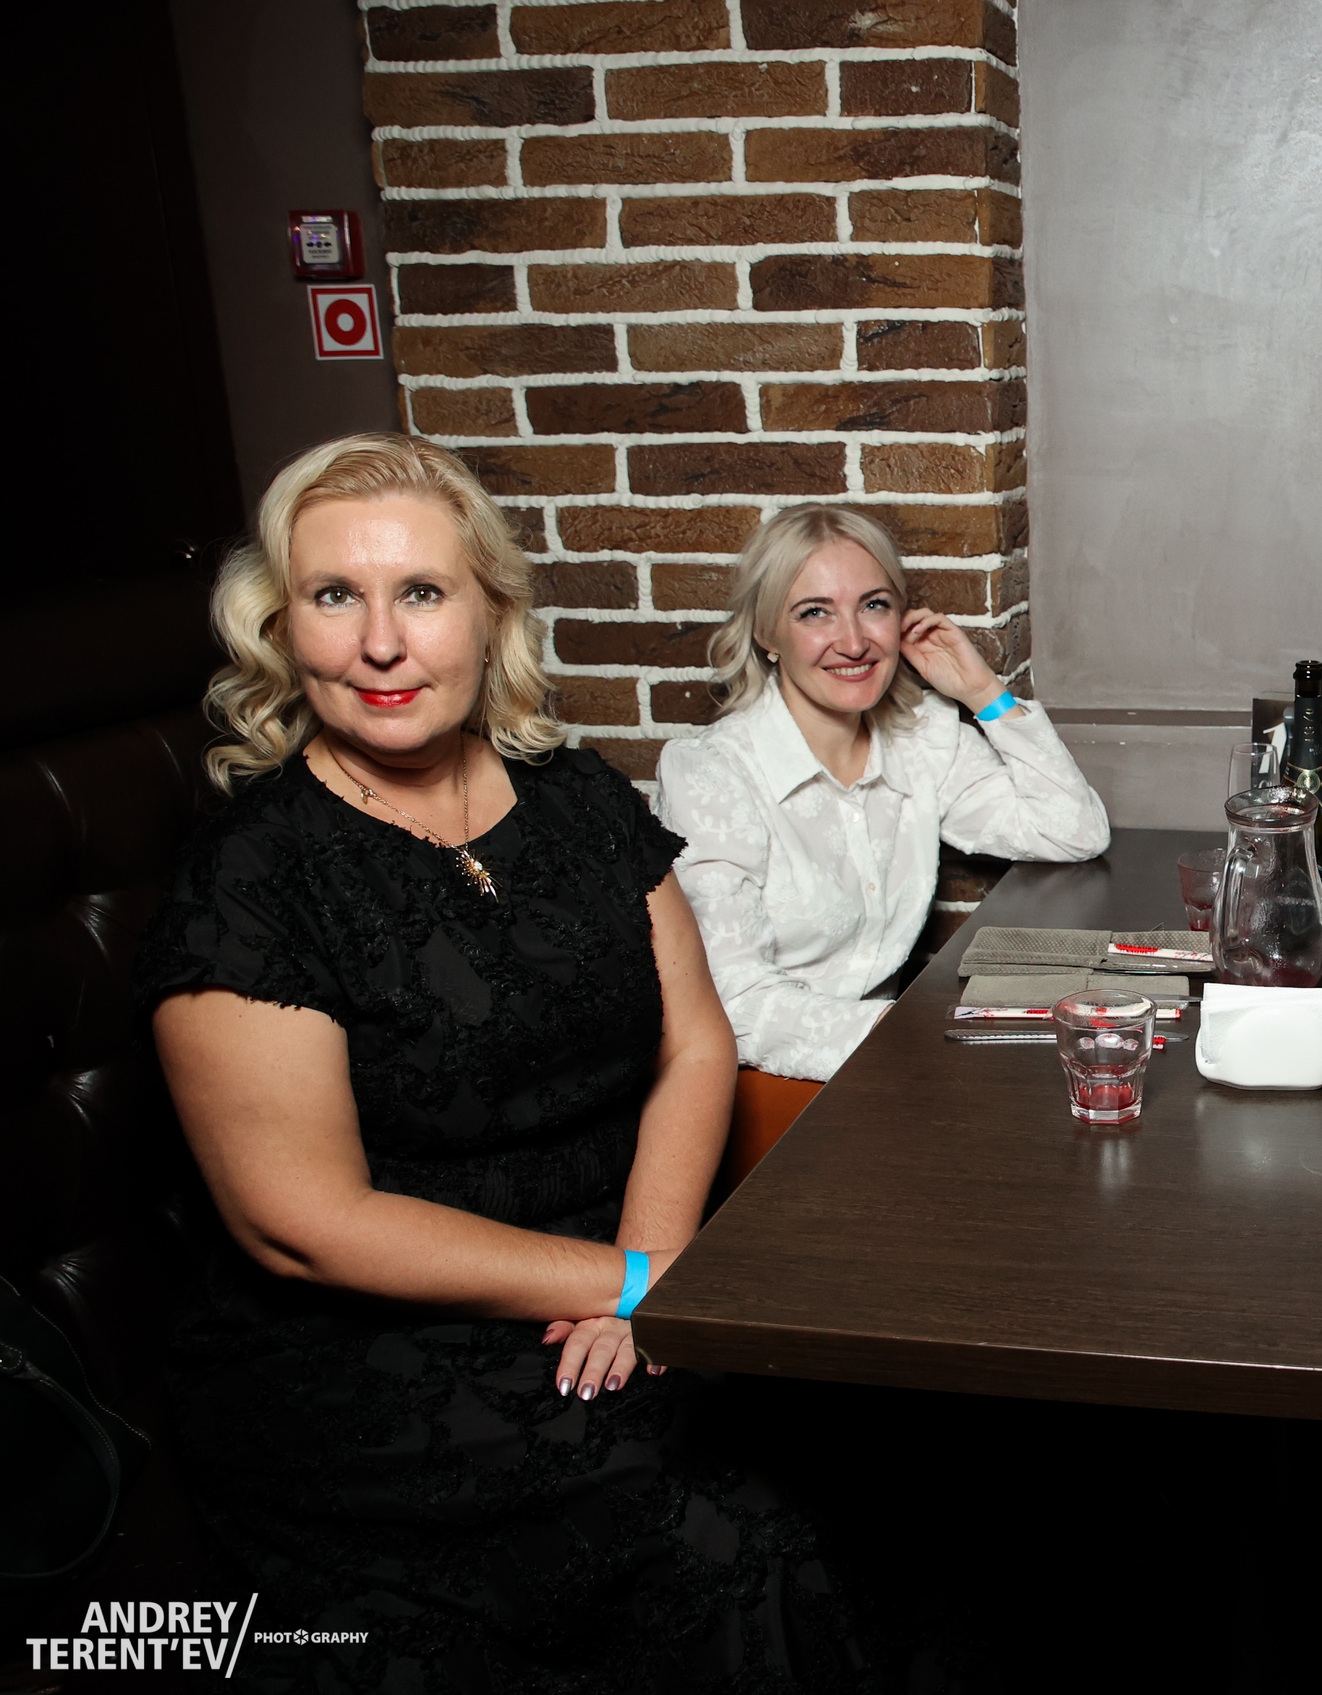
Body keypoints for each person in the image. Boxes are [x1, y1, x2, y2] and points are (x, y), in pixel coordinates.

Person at [139, 434, 872, 1690]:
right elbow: (301, 1225)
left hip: (623, 1255)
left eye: (422, 592)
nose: (380, 643)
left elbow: (695, 1039)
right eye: (335, 596)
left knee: (871, 1435)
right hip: (375, 1348)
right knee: (724, 1524)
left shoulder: (574, 793)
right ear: (281, 626)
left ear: (488, 614)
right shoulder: (250, 879)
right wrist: (631, 1281)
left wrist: (650, 1266)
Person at [654, 504, 1109, 1106]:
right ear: (767, 634)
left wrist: (982, 692)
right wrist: (918, 1038)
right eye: (814, 612)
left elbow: (1071, 831)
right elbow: (733, 1003)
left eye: (874, 605)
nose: (853, 642)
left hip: (894, 1072)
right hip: (765, 1090)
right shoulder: (712, 775)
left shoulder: (922, 737)